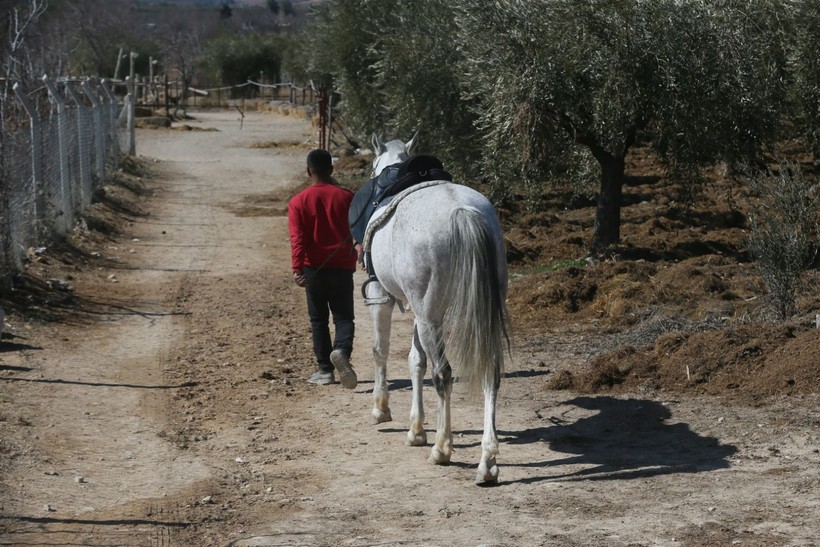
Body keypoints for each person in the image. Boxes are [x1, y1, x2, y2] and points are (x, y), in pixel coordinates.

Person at [288, 149, 358, 389]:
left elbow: (298, 239)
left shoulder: (298, 202)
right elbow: (358, 230)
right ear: (331, 169)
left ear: (308, 171)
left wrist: (297, 269)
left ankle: (325, 370)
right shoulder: (347, 197)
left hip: (313, 269)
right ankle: (341, 352)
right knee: (344, 317)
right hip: (341, 267)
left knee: (318, 320)